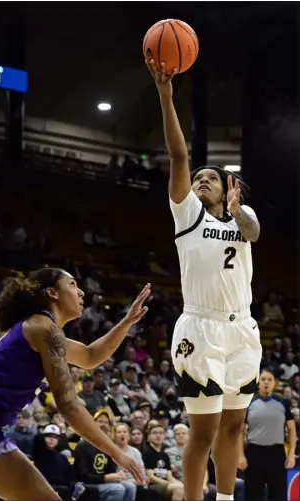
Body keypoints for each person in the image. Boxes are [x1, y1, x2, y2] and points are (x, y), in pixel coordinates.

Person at [146, 58, 263, 501]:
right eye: (198, 179)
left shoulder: (241, 216)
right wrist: (165, 96)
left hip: (242, 328)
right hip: (201, 327)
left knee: (234, 427)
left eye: (211, 178)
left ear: (228, 188)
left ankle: (227, 498)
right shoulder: (187, 215)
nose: (202, 182)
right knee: (204, 431)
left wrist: (238, 212)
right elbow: (179, 155)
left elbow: (253, 233)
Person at [0, 268, 149, 499]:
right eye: (73, 285)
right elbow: (69, 406)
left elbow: (90, 356)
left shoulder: (46, 331)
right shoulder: (43, 328)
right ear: (52, 293)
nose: (81, 292)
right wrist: (116, 452)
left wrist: (126, 323)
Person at [238, 369, 296, 500]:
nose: (266, 382)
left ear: (274, 383)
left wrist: (291, 455)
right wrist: (240, 455)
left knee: (278, 495)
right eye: (263, 379)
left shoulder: (283, 403)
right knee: (253, 495)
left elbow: (292, 430)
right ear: (258, 383)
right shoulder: (249, 403)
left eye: (270, 380)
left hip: (276, 454)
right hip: (254, 453)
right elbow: (240, 431)